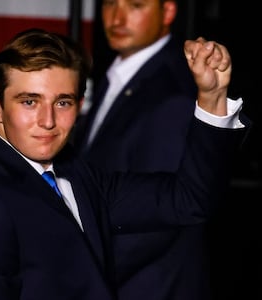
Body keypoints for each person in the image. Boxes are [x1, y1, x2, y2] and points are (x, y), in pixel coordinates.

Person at [0, 28, 249, 300]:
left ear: (80, 103)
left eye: (62, 103)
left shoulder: (75, 174)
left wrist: (212, 98)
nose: (47, 121)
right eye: (29, 102)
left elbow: (189, 199)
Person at [72, 1, 234, 299]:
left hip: (148, 286)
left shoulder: (174, 89)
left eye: (135, 5)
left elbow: (162, 218)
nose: (117, 17)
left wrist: (71, 273)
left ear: (168, 12)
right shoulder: (117, 73)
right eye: (110, 3)